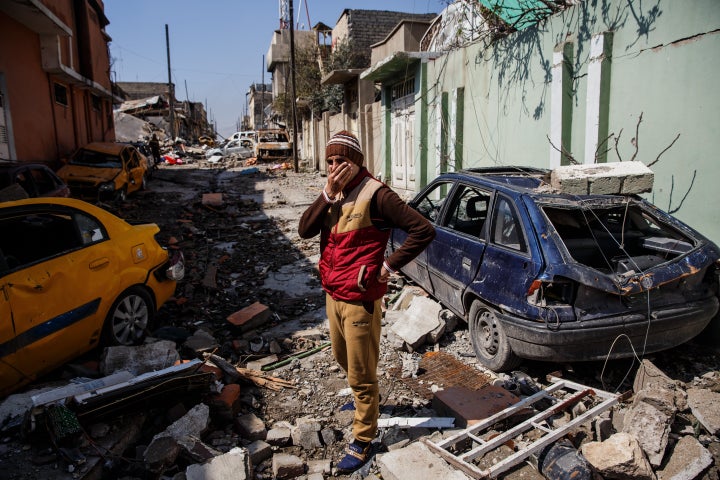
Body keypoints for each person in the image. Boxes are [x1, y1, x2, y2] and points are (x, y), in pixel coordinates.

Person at [298, 131, 435, 474]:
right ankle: (367, 402)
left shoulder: (377, 194)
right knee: (341, 357)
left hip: (360, 298)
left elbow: (423, 229)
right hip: (334, 292)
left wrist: (387, 267)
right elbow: (303, 230)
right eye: (330, 161)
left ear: (356, 161)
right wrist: (327, 193)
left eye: (341, 160)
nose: (334, 167)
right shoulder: (334, 192)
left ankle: (363, 439)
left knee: (361, 373)